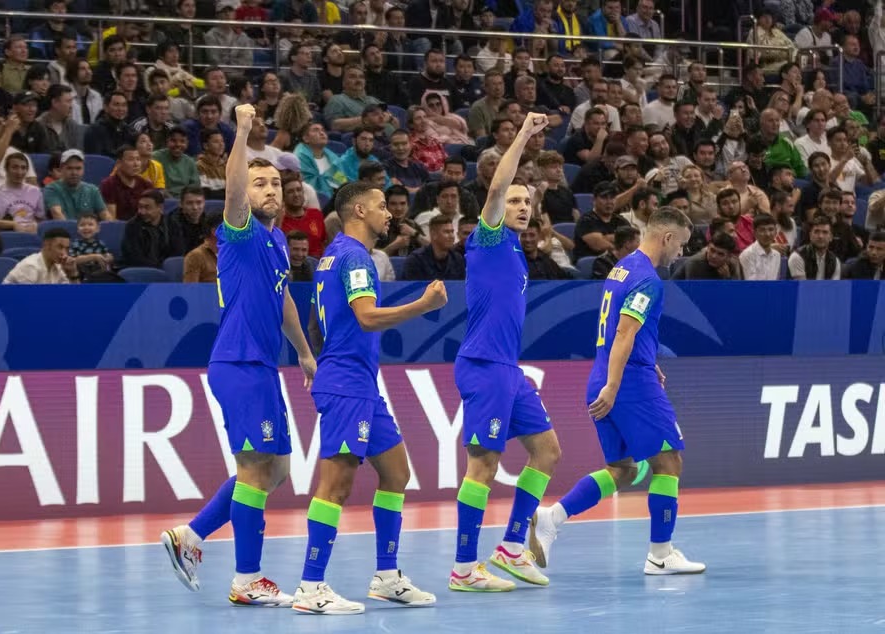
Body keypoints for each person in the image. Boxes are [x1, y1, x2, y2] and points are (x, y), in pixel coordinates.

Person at [159, 104, 317, 606]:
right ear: (244, 196)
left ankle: (191, 536)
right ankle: (248, 579)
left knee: (277, 471)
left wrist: (305, 354)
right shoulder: (240, 230)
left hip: (264, 369)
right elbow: (231, 190)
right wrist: (244, 132)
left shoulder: (274, 241)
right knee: (254, 470)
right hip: (239, 365)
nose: (271, 189)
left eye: (276, 182)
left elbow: (285, 299)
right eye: (260, 183)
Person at [292, 181, 447, 615]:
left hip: (357, 381)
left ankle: (387, 576)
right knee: (335, 486)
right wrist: (423, 304)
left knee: (396, 472)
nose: (390, 214)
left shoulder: (332, 256)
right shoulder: (355, 256)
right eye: (382, 206)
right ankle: (311, 585)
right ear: (358, 210)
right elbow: (366, 317)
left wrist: (321, 361)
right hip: (347, 386)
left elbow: (320, 320)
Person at [529, 206, 707, 576]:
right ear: (667, 237)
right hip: (626, 381)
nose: (681, 254)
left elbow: (620, 329)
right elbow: (624, 332)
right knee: (669, 461)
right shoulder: (649, 279)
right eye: (682, 245)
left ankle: (551, 518)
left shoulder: (621, 268)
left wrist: (636, 365)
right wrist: (615, 385)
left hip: (609, 372)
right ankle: (661, 553)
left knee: (622, 468)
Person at [448, 113, 562, 593]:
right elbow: (495, 189)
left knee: (548, 451)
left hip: (508, 371)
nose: (519, 205)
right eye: (514, 199)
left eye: (527, 201)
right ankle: (462, 568)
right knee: (484, 466)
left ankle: (513, 546)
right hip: (482, 367)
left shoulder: (518, 250)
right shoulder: (489, 239)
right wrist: (523, 135)